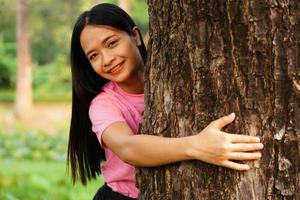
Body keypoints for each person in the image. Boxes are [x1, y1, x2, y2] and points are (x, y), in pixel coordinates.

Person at [67, 3, 264, 200]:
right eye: (94, 56)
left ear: (135, 36)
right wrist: (196, 146)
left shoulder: (177, 77)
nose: (107, 59)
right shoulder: (104, 104)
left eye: (111, 43)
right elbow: (127, 147)